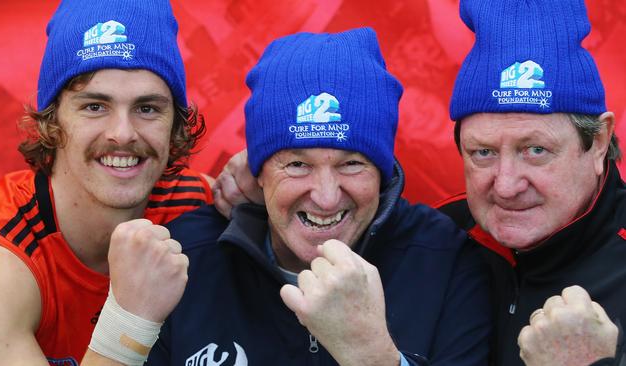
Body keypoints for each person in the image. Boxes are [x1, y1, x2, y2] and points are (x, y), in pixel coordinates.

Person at [86, 27, 492, 366]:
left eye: (352, 164)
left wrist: (371, 353)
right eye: (297, 165)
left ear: (383, 172)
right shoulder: (185, 259)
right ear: (258, 170)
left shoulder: (446, 260)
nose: (327, 197)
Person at [0, 0, 213, 364]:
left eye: (147, 108)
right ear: (53, 122)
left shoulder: (198, 203)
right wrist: (130, 319)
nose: (122, 133)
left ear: (175, 125)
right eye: (94, 106)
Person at [436, 0, 626, 365]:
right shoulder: (438, 238)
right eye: (483, 153)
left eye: (536, 149)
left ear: (599, 142)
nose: (506, 186)